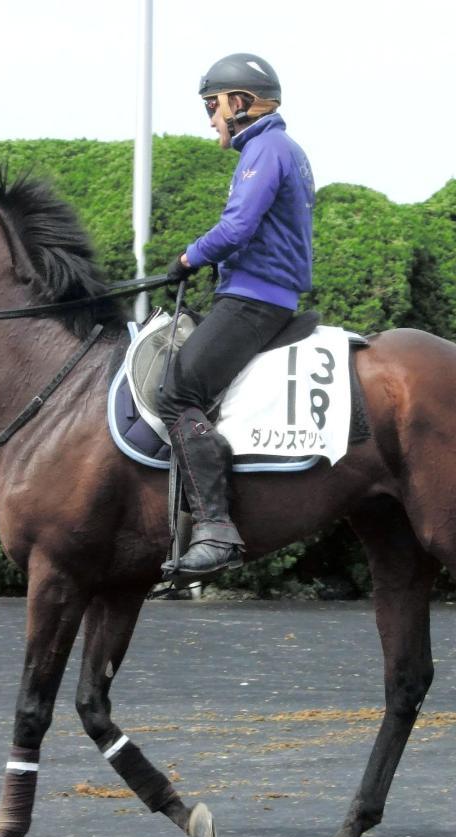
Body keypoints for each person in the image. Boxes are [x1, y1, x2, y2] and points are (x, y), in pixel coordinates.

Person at [158, 52, 315, 582]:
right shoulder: (278, 147)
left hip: (254, 300)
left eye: (213, 106)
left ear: (241, 103)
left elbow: (236, 228)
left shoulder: (265, 149)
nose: (210, 120)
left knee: (175, 392)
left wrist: (187, 258)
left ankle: (216, 530)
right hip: (261, 294)